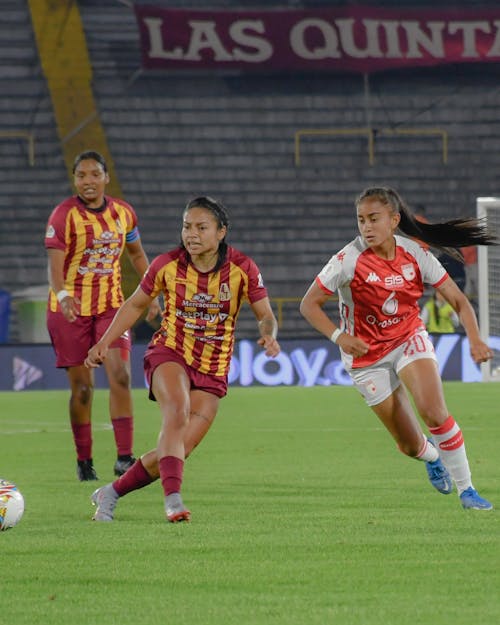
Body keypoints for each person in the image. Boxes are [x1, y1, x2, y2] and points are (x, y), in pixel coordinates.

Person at [300, 186, 497, 511]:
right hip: (365, 357)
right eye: (361, 220)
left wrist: (475, 338)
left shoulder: (416, 255)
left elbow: (459, 301)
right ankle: (431, 456)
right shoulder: (347, 260)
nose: (366, 227)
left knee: (434, 411)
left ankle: (468, 491)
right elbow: (309, 305)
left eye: (374, 219)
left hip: (407, 339)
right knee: (408, 445)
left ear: (394, 220)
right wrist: (340, 337)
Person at [85, 195, 280, 523]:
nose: (191, 234)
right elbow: (135, 305)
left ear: (221, 232)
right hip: (170, 352)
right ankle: (173, 500)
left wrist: (269, 333)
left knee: (176, 451)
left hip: (214, 368)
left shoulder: (243, 268)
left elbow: (265, 314)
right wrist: (105, 341)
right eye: (187, 226)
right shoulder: (166, 264)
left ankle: (111, 492)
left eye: (201, 227)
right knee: (176, 410)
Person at [44, 150, 159, 481]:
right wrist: (64, 295)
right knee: (82, 390)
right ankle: (84, 461)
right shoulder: (62, 217)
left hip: (111, 308)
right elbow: (54, 269)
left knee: (121, 375)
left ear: (106, 178)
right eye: (81, 176)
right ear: (75, 180)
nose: (88, 181)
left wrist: (152, 291)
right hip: (70, 312)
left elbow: (137, 254)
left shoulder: (124, 214)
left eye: (95, 174)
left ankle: (124, 457)